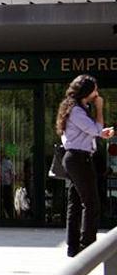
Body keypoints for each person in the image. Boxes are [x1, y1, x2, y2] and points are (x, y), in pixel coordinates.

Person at [56, 74, 113, 257]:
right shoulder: (77, 111)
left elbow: (91, 131)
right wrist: (100, 108)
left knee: (75, 202)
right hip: (79, 159)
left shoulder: (76, 108)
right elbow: (95, 129)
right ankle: (87, 248)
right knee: (91, 203)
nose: (97, 93)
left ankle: (74, 246)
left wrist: (100, 133)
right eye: (95, 90)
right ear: (87, 91)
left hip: (75, 157)